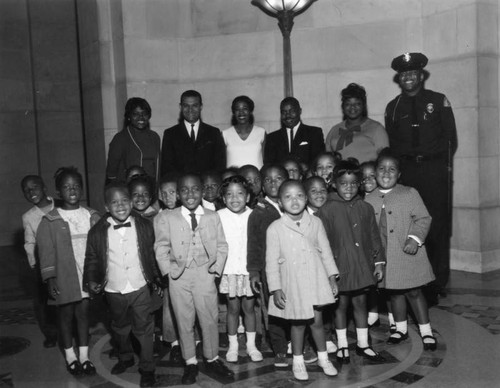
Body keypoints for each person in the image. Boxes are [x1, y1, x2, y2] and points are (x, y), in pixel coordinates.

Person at [385, 52, 458, 303]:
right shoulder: (393, 107)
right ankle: (414, 278)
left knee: (437, 225)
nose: (408, 77)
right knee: (410, 224)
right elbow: (393, 145)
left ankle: (437, 282)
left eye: (412, 73)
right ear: (399, 77)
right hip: (408, 173)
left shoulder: (438, 101)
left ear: (421, 75)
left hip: (434, 171)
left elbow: (451, 140)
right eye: (403, 74)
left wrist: (445, 170)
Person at [154, 173, 234, 385]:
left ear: (202, 191)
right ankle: (190, 361)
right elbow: (161, 247)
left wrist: (215, 270)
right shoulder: (166, 218)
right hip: (179, 276)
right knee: (184, 319)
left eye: (195, 189)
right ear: (178, 194)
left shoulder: (211, 216)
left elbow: (222, 246)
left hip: (204, 274)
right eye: (185, 190)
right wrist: (168, 272)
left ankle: (212, 358)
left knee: (208, 318)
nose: (190, 194)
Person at [83, 181, 163, 387]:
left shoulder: (145, 226)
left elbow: (151, 256)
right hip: (113, 288)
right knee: (120, 327)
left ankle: (147, 368)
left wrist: (156, 280)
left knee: (144, 329)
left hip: (140, 285)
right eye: (114, 202)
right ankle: (125, 356)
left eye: (125, 201)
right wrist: (92, 279)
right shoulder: (97, 232)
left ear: (131, 202)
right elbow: (92, 258)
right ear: (106, 207)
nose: (120, 206)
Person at [266, 180, 339, 381]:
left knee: (317, 322)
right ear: (280, 203)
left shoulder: (315, 223)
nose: (294, 200)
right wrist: (276, 288)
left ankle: (323, 358)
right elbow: (271, 262)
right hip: (293, 283)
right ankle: (297, 361)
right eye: (288, 197)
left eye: (299, 195)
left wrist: (332, 277)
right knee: (297, 324)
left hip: (315, 279)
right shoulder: (275, 228)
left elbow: (326, 252)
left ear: (306, 198)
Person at [364, 150, 437, 351]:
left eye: (392, 169)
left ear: (399, 174)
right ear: (375, 172)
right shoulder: (369, 198)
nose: (386, 173)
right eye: (381, 169)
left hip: (406, 252)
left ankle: (426, 331)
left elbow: (423, 218)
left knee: (414, 292)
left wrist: (414, 238)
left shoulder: (409, 193)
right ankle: (401, 329)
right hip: (384, 254)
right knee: (394, 292)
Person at [317, 161, 385, 364]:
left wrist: (379, 262)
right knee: (340, 306)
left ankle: (363, 344)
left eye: (354, 183)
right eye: (344, 183)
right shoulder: (326, 210)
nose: (349, 187)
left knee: (361, 303)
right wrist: (329, 273)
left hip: (362, 265)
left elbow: (374, 236)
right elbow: (322, 244)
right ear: (334, 184)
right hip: (339, 267)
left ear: (360, 184)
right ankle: (343, 345)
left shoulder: (365, 207)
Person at [37, 167, 100, 376]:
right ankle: (70, 356)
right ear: (58, 192)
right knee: (65, 316)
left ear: (82, 189)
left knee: (83, 315)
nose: (72, 190)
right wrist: (50, 278)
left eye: (76, 186)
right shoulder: (50, 220)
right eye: (66, 186)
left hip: (86, 274)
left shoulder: (92, 215)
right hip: (65, 275)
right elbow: (45, 252)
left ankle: (84, 356)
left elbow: (101, 246)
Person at [247, 165, 292, 367]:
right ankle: (280, 349)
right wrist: (254, 271)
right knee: (274, 310)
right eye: (268, 180)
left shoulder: (294, 204)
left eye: (279, 178)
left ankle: (303, 344)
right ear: (262, 185)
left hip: (296, 269)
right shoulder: (259, 212)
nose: (274, 183)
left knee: (299, 306)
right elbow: (254, 245)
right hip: (270, 272)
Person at [217, 176, 263, 363]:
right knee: (233, 308)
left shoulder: (254, 215)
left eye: (240, 194)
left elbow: (258, 244)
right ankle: (233, 345)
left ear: (248, 196)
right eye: (229, 194)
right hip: (228, 270)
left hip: (248, 270)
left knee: (249, 308)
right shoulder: (218, 216)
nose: (234, 198)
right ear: (223, 197)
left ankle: (251, 345)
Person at [20, 175, 58, 348]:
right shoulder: (29, 216)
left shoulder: (61, 205)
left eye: (34, 187)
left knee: (71, 298)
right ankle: (51, 333)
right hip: (44, 264)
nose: (31, 192)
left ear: (44, 187)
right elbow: (30, 242)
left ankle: (76, 329)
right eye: (26, 190)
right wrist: (34, 263)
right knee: (44, 301)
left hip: (66, 260)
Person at [161, 90, 226, 175]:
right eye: (186, 106)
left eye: (194, 105)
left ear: (201, 106)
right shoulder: (170, 134)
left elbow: (220, 166)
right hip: (181, 186)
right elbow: (167, 167)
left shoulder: (214, 133)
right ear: (180, 107)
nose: (190, 110)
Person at [326, 83, 388, 162]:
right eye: (348, 104)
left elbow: (385, 161)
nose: (352, 107)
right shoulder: (334, 131)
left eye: (357, 103)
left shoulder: (377, 129)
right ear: (343, 106)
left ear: (363, 105)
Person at [106, 98, 161, 183]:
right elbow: (111, 173)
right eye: (136, 114)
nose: (141, 117)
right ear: (129, 116)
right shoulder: (120, 138)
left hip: (152, 187)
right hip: (128, 188)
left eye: (144, 113)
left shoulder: (155, 137)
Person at [264, 97, 325, 165]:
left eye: (292, 111)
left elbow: (318, 161)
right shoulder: (272, 138)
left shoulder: (314, 133)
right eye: (284, 112)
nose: (287, 115)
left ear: (300, 111)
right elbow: (269, 165)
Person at [223, 96, 266, 169]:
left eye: (245, 109)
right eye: (237, 109)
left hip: (255, 178)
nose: (241, 112)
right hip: (233, 179)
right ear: (233, 112)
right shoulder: (225, 134)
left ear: (250, 111)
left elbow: (265, 160)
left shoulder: (261, 132)